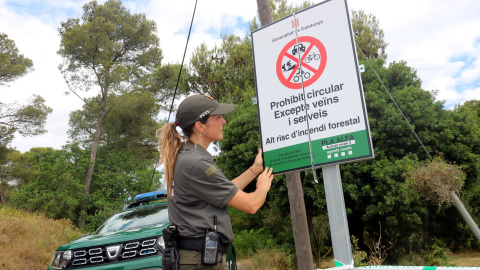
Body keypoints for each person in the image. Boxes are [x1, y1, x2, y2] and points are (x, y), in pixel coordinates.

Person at [157, 94, 274, 270]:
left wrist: (254, 170)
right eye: (218, 117)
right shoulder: (196, 163)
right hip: (199, 261)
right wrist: (262, 187)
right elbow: (252, 205)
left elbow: (224, 191)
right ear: (199, 126)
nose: (224, 122)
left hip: (196, 259)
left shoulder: (186, 156)